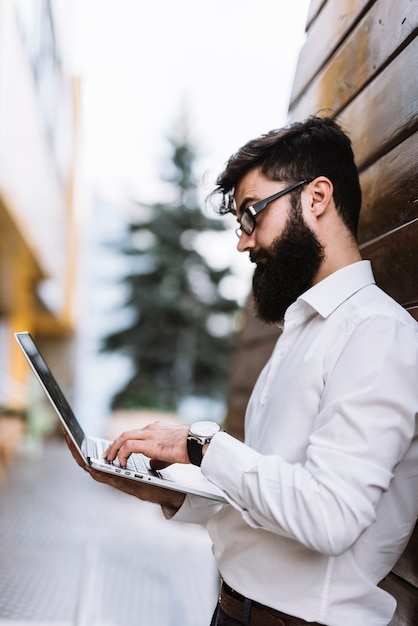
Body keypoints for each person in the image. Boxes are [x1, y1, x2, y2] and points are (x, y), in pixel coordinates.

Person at [66, 116, 418, 626]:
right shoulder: (303, 328)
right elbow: (271, 501)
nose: (243, 242)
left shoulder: (376, 333)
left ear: (317, 197)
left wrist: (199, 446)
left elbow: (330, 517)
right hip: (236, 611)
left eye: (252, 214)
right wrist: (170, 493)